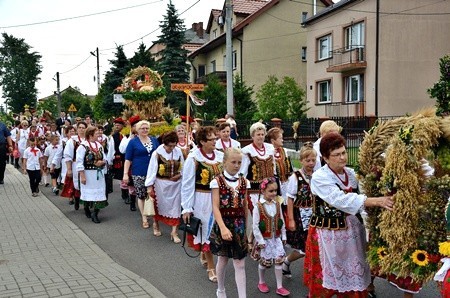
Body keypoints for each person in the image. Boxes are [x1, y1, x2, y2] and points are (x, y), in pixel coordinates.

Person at [304, 132, 394, 297]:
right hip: (328, 233)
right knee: (326, 280)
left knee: (354, 275)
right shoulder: (319, 177)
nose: (342, 157)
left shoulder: (351, 174)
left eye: (344, 153)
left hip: (352, 231)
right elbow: (340, 199)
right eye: (336, 155)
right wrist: (377, 201)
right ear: (325, 158)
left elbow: (364, 190)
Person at [181, 126, 224, 283]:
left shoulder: (220, 156)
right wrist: (186, 207)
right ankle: (211, 267)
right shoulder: (194, 158)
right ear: (202, 141)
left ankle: (205, 255)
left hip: (218, 198)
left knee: (217, 230)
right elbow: (187, 185)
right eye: (211, 139)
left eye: (215, 139)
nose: (215, 142)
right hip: (202, 199)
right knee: (206, 232)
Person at [210, 148, 250, 298]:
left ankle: (242, 295)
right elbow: (215, 206)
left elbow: (245, 205)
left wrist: (246, 229)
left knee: (240, 263)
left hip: (239, 225)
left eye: (239, 162)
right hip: (224, 223)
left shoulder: (244, 181)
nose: (236, 165)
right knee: (223, 258)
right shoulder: (217, 182)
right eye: (233, 162)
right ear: (224, 162)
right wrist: (222, 227)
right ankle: (220, 289)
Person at [283, 142, 316, 278]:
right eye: (307, 160)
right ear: (301, 161)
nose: (311, 163)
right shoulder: (295, 177)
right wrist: (291, 219)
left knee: (315, 245)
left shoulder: (317, 176)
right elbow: (290, 199)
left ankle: (313, 274)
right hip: (300, 216)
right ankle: (287, 261)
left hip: (315, 215)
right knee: (303, 249)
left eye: (313, 160)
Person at [252, 177, 290, 296]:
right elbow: (255, 225)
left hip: (276, 238)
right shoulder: (258, 206)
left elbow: (281, 221)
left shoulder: (277, 204)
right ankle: (261, 281)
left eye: (275, 191)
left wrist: (283, 236)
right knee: (264, 263)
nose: (274, 193)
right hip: (265, 240)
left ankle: (279, 286)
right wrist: (260, 240)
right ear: (263, 191)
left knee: (279, 261)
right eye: (271, 191)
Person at [145, 131, 184, 242]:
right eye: (169, 146)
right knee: (159, 206)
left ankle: (174, 232)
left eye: (174, 145)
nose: (172, 148)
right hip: (161, 184)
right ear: (164, 143)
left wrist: (180, 175)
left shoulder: (178, 152)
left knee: (176, 208)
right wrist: (149, 186)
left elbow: (184, 167)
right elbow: (152, 170)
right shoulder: (157, 153)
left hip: (176, 185)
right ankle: (156, 225)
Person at [123, 120, 160, 230]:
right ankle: (144, 217)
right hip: (139, 172)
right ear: (137, 130)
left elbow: (159, 153)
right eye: (142, 128)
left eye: (146, 128)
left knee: (153, 194)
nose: (145, 130)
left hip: (153, 172)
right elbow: (128, 159)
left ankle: (154, 216)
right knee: (141, 194)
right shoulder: (133, 142)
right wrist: (125, 173)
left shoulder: (154, 140)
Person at [76, 126, 108, 223]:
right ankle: (86, 208)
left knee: (99, 193)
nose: (98, 135)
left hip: (99, 174)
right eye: (96, 133)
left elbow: (105, 158)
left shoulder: (99, 145)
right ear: (90, 135)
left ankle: (95, 213)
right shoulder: (82, 146)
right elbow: (79, 162)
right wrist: (82, 176)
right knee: (88, 192)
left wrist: (102, 162)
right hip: (88, 173)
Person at [64, 121, 87, 209]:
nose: (81, 130)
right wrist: (69, 169)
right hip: (75, 164)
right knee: (77, 183)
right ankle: (77, 200)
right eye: (79, 128)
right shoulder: (72, 141)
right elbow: (67, 155)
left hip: (87, 166)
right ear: (77, 129)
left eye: (83, 128)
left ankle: (86, 203)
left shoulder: (88, 140)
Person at [111, 117, 128, 203]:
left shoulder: (127, 134)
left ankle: (128, 192)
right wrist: (115, 155)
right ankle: (124, 193)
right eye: (116, 125)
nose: (117, 126)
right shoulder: (114, 136)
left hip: (127, 157)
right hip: (119, 158)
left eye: (119, 125)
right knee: (122, 175)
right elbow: (112, 147)